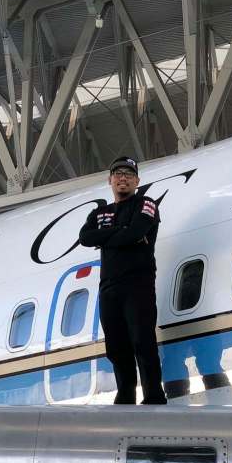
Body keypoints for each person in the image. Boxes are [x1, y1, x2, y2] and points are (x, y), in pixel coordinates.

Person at [79, 156, 167, 405]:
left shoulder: (146, 204)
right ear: (110, 180)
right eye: (118, 174)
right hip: (109, 286)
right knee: (116, 345)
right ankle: (126, 394)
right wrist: (122, 232)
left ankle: (153, 395)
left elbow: (136, 231)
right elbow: (85, 237)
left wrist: (106, 238)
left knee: (142, 340)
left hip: (138, 283)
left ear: (137, 181)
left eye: (129, 175)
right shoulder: (100, 212)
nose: (123, 178)